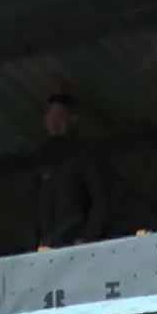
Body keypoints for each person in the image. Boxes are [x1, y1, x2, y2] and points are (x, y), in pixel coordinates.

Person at [34, 92, 109, 250]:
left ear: (72, 119)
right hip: (48, 245)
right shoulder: (42, 159)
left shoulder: (85, 154)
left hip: (75, 242)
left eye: (60, 115)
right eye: (51, 115)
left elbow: (102, 198)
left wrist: (87, 237)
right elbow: (35, 206)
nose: (55, 121)